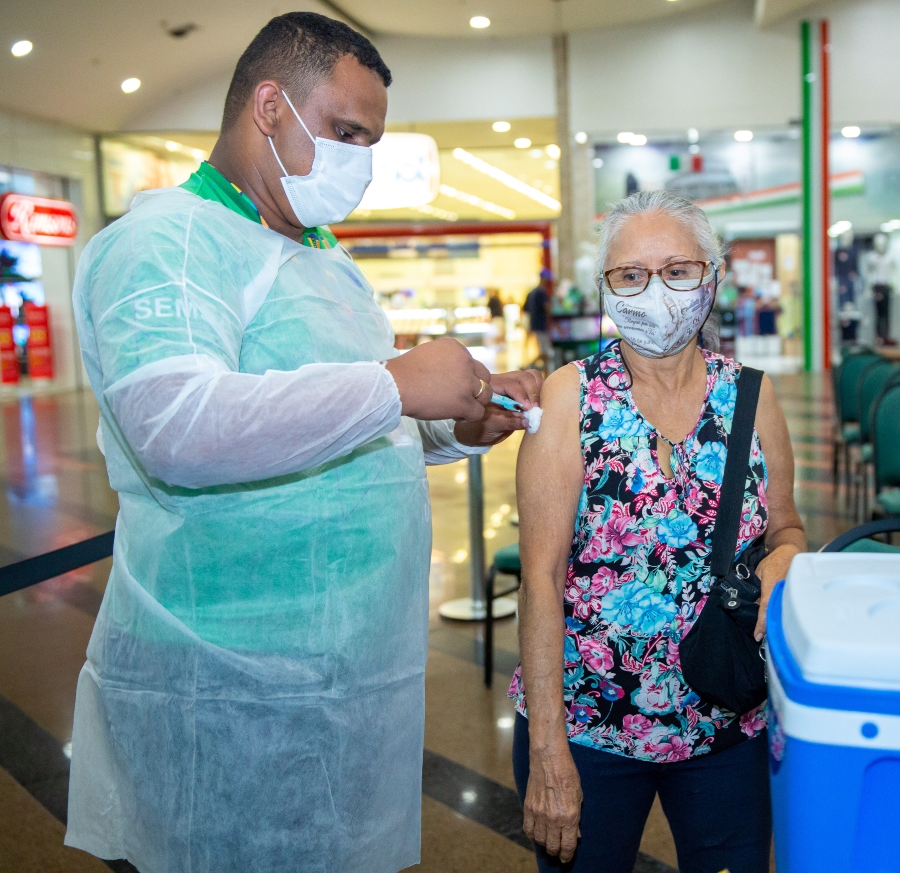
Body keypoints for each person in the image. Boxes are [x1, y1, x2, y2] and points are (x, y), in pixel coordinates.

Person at [62, 14, 542, 873]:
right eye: (346, 132)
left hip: (346, 673)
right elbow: (175, 424)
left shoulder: (320, 256)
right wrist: (396, 382)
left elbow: (345, 422)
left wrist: (457, 422)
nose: (360, 160)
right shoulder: (166, 241)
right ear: (270, 106)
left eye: (371, 141)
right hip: (220, 680)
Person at [509, 190, 808, 872]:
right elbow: (541, 579)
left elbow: (786, 526)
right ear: (605, 288)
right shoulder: (570, 397)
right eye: (630, 275)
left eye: (678, 270)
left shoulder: (753, 395)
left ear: (713, 277)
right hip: (586, 723)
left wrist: (787, 554)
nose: (655, 292)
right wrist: (548, 748)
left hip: (726, 720)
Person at [525, 268, 554, 370]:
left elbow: (526, 310)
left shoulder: (532, 292)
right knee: (546, 351)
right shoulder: (541, 292)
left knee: (544, 349)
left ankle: (540, 367)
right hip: (541, 324)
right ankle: (530, 366)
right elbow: (547, 308)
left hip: (535, 324)